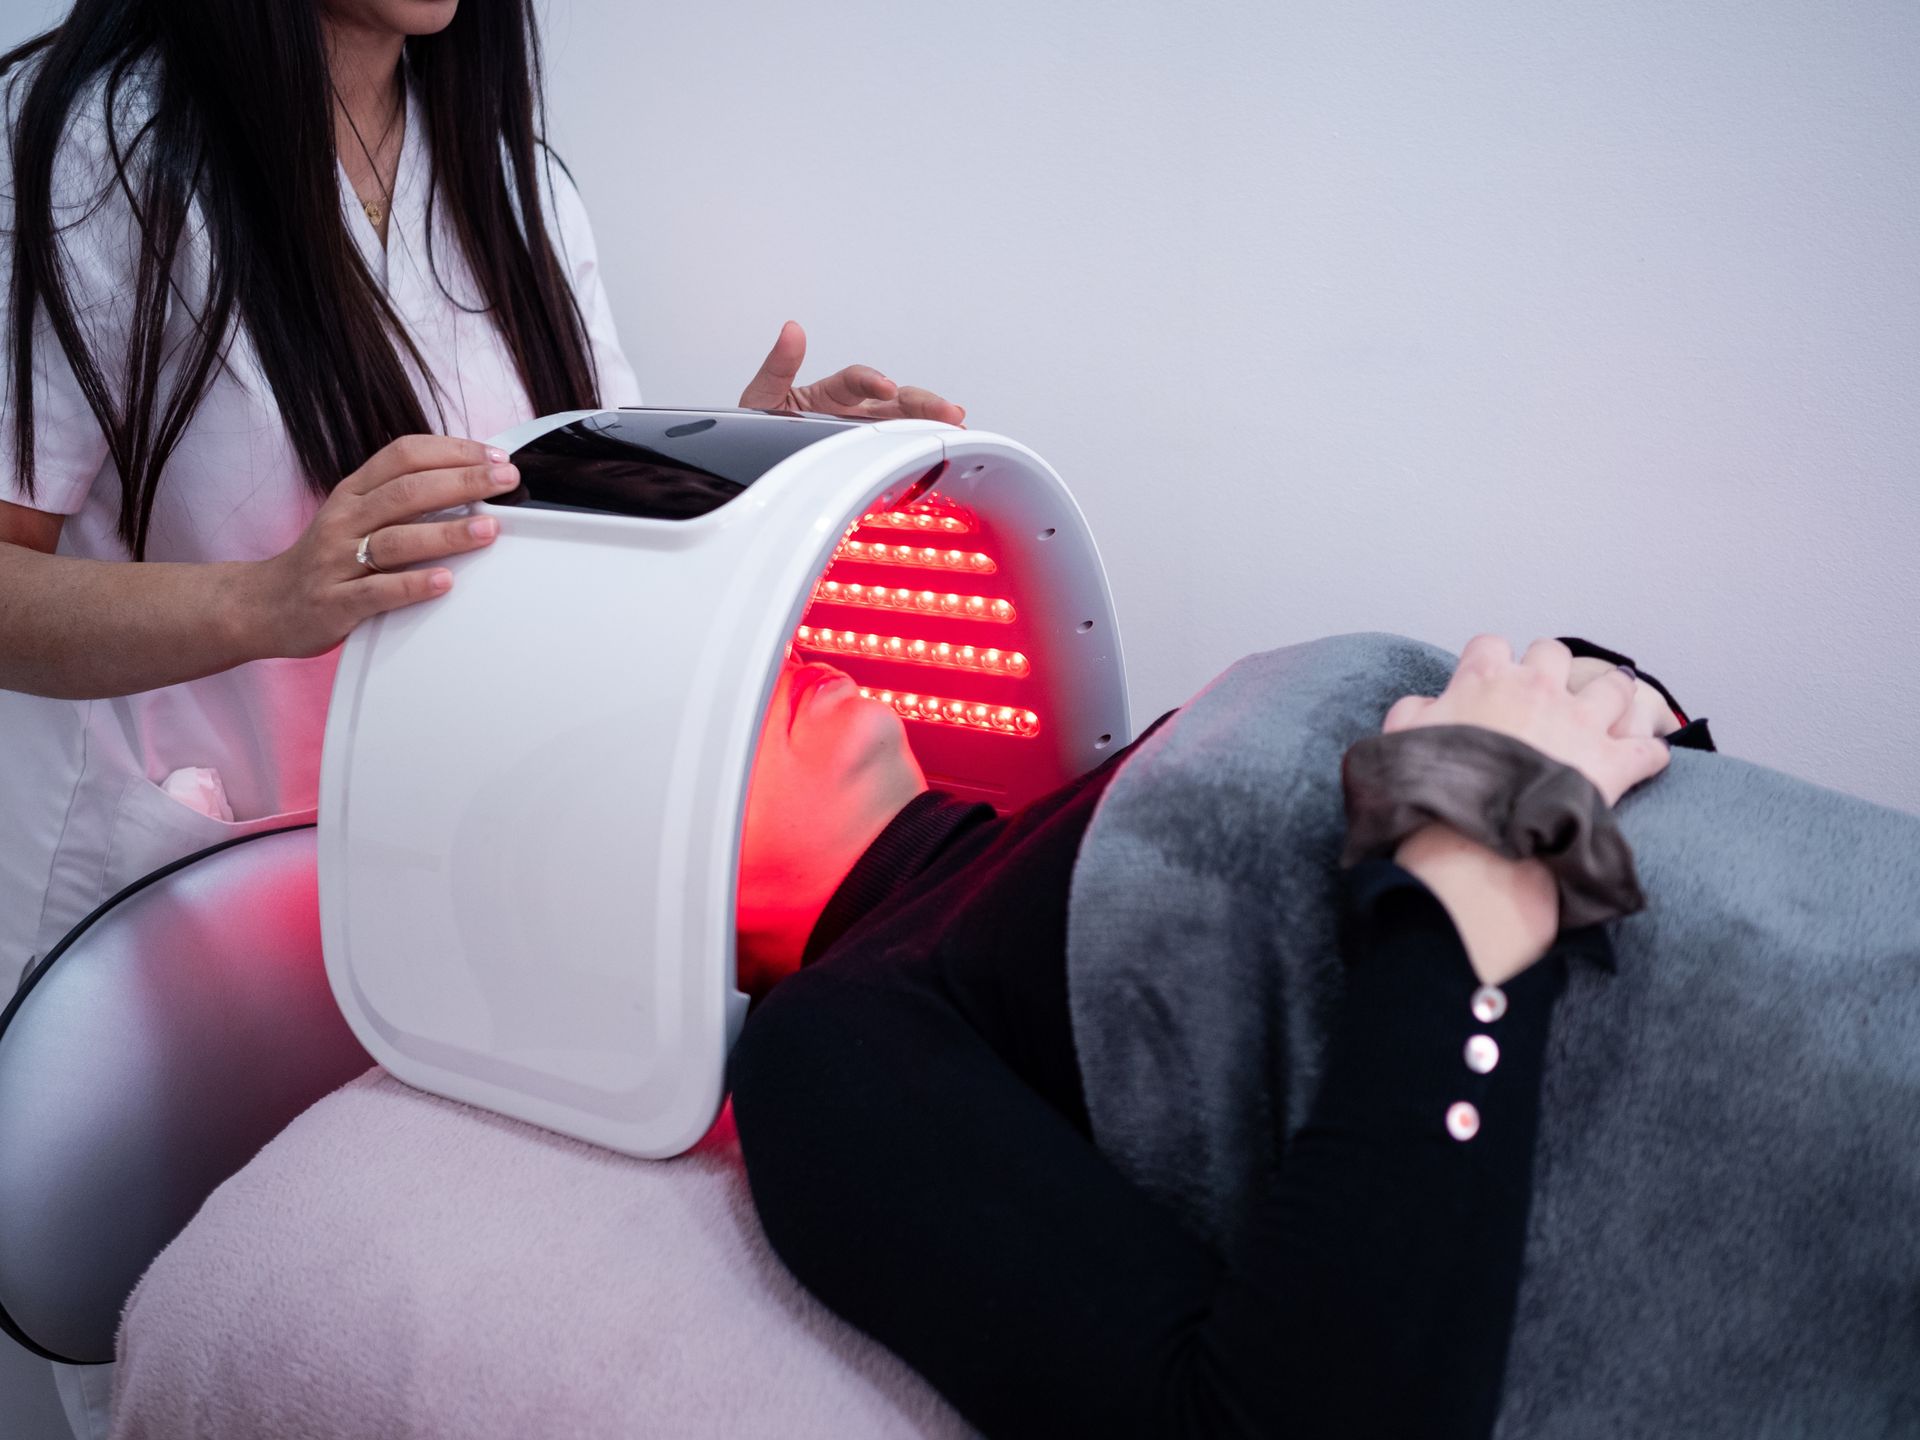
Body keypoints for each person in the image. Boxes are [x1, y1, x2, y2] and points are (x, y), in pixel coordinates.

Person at [0, 2, 960, 1433]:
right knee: (172, 1351)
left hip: (442, 930)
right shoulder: (98, 148)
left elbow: (577, 529)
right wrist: (267, 601)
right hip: (171, 921)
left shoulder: (509, 176)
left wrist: (753, 461)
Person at [728, 636, 1690, 1440]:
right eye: (700, 673)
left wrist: (1603, 692)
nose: (778, 654)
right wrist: (1488, 835)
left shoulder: (1069, 817)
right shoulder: (825, 1040)